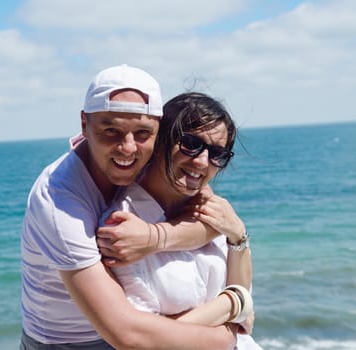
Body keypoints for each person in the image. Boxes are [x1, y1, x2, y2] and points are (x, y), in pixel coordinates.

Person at [20, 64, 246, 349]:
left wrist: (153, 238)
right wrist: (227, 336)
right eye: (111, 130)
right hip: (71, 342)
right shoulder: (58, 200)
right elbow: (127, 335)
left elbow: (207, 216)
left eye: (142, 132)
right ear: (84, 125)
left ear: (159, 134)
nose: (127, 148)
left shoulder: (152, 156)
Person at [100, 92, 262, 349]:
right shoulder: (123, 225)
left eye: (217, 154)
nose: (202, 161)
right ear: (161, 140)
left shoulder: (213, 212)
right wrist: (233, 304)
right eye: (190, 143)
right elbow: (147, 339)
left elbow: (245, 295)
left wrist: (238, 236)